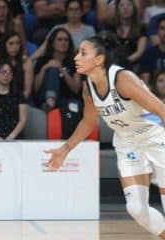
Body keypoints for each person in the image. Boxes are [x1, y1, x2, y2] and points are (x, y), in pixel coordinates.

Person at [46, 34, 165, 239]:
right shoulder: (88, 88)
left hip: (155, 137)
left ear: (99, 59)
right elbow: (88, 122)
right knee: (136, 209)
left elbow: (161, 110)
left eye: (83, 53)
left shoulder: (122, 79)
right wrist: (65, 149)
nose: (76, 57)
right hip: (127, 142)